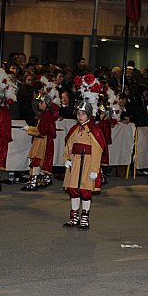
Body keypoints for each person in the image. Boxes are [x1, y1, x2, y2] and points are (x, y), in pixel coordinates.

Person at [61, 98, 106, 230]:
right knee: (73, 189)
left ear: (89, 115)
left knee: (85, 191)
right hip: (75, 163)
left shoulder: (94, 130)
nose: (80, 116)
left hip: (87, 163)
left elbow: (98, 150)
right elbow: (68, 146)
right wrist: (67, 159)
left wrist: (94, 169)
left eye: (83, 114)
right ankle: (74, 217)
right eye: (78, 113)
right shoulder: (74, 129)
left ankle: (85, 217)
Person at [21, 83, 59, 191]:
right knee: (39, 162)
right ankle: (45, 179)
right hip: (42, 141)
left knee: (36, 162)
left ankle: (33, 183)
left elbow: (41, 131)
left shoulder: (46, 115)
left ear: (46, 104)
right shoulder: (44, 115)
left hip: (42, 142)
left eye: (41, 102)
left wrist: (29, 129)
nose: (39, 104)